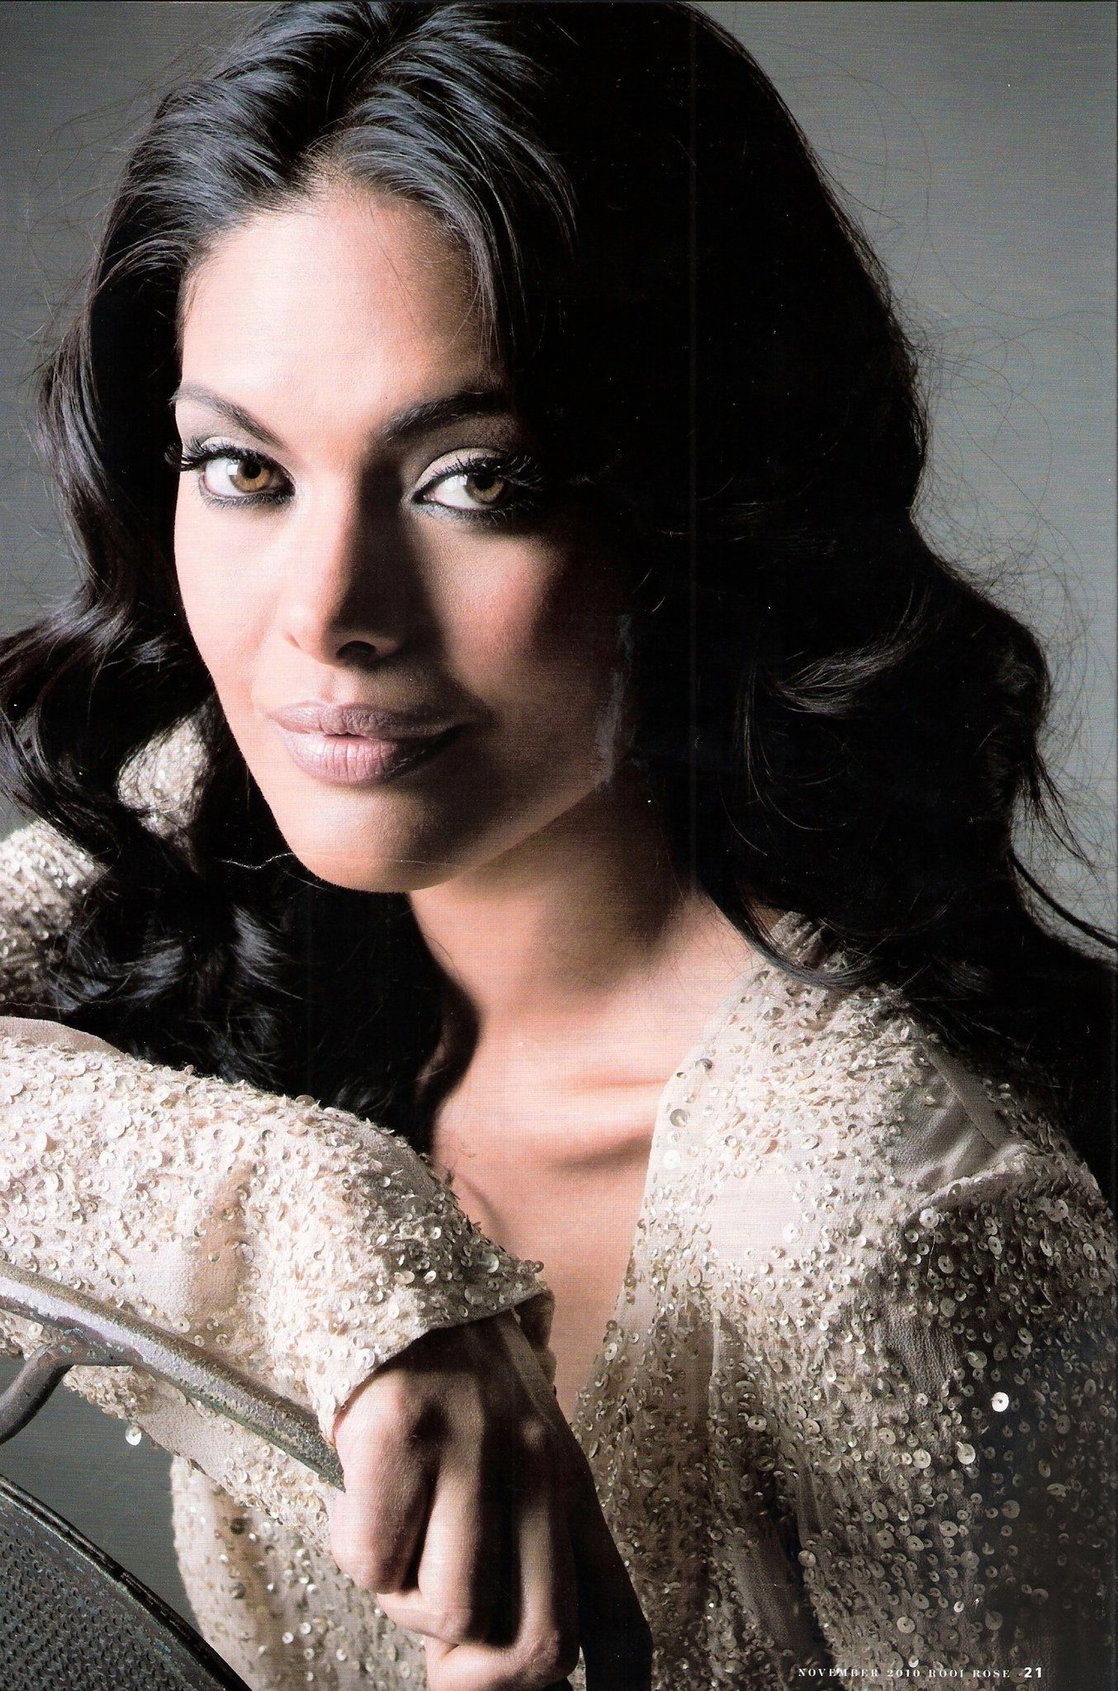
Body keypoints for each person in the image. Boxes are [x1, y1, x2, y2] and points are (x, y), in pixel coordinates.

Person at [0, 3, 1113, 1688]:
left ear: (708, 498)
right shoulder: (218, 829)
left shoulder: (881, 1221)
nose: (328, 618)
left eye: (476, 482)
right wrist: (335, 1236)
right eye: (241, 468)